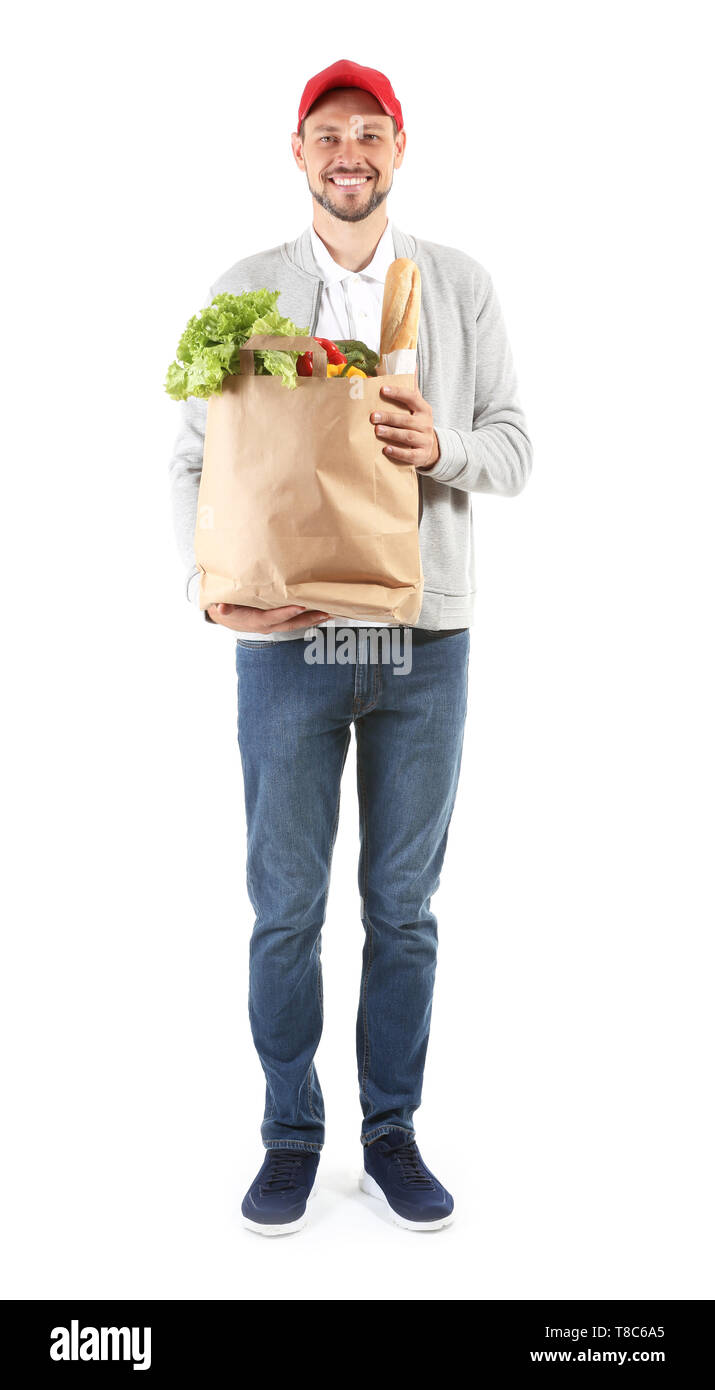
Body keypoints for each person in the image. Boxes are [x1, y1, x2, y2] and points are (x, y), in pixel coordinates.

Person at [168, 59, 533, 1235]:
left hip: (427, 644)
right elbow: (191, 460)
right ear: (298, 152)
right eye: (328, 133)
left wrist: (442, 448)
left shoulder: (458, 288)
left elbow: (517, 449)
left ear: (397, 147)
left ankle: (389, 1133)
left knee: (403, 907)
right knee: (283, 907)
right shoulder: (245, 290)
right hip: (287, 645)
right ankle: (289, 1133)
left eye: (367, 133)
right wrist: (208, 591)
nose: (348, 153)